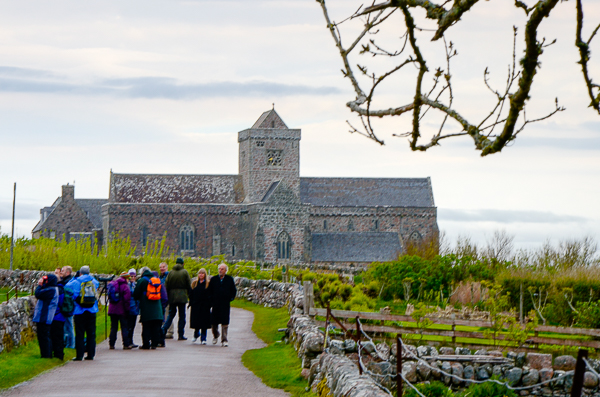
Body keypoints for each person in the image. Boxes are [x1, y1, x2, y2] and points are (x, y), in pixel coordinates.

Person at [66, 265, 99, 361]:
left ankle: (79, 355)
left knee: (80, 333)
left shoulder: (76, 281)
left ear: (80, 272)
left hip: (79, 310)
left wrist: (74, 277)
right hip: (92, 310)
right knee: (91, 333)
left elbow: (67, 286)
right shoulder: (93, 281)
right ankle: (91, 354)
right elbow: (96, 285)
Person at [133, 266, 164, 349]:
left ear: (142, 273)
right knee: (156, 327)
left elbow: (136, 294)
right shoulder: (157, 280)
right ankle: (154, 344)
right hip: (157, 308)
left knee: (146, 327)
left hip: (146, 308)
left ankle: (146, 344)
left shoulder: (142, 281)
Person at [161, 258, 191, 341]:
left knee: (170, 315)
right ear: (183, 264)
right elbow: (189, 285)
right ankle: (181, 334)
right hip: (182, 297)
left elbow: (166, 285)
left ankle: (163, 330)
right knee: (182, 316)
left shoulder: (171, 272)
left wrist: (168, 296)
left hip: (172, 297)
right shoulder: (185, 272)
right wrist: (189, 295)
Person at [208, 263, 237, 347]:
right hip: (215, 304)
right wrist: (211, 300)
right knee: (214, 322)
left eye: (222, 269)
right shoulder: (214, 279)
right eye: (219, 269)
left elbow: (233, 290)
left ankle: (224, 339)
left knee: (225, 322)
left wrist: (230, 298)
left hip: (225, 304)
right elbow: (209, 291)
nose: (220, 270)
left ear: (225, 270)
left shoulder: (229, 279)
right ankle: (216, 335)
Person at [33, 274, 61, 358]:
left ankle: (46, 354)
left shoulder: (51, 290)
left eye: (46, 280)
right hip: (44, 316)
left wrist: (39, 285)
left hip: (44, 316)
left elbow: (37, 294)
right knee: (44, 336)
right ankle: (46, 353)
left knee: (44, 336)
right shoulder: (52, 289)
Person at [108, 271, 132, 350]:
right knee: (124, 327)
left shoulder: (113, 284)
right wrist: (127, 310)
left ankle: (111, 344)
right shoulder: (125, 286)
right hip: (122, 310)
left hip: (112, 309)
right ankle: (125, 344)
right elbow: (127, 299)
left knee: (113, 327)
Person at [189, 268, 211, 344]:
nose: (201, 275)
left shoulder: (208, 284)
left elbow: (210, 295)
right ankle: (196, 334)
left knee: (204, 323)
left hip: (205, 306)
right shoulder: (195, 283)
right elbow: (191, 294)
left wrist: (209, 304)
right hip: (196, 305)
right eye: (199, 273)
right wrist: (191, 302)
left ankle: (203, 338)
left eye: (202, 273)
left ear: (205, 275)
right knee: (196, 322)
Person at [59, 266, 75, 349]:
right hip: (68, 307)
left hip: (67, 307)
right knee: (67, 327)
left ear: (68, 272)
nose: (61, 272)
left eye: (63, 270)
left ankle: (71, 344)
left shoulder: (68, 282)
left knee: (69, 327)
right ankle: (68, 343)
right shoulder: (67, 281)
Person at [158, 262, 174, 339]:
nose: (162, 268)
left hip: (167, 298)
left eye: (163, 267)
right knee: (163, 315)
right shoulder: (160, 277)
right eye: (161, 267)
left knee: (168, 315)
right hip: (161, 299)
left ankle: (170, 331)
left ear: (167, 268)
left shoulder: (168, 276)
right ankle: (164, 330)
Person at [125, 268, 139, 348]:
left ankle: (131, 341)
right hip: (130, 307)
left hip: (135, 308)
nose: (133, 278)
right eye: (131, 276)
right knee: (129, 326)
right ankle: (128, 341)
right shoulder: (128, 285)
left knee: (132, 326)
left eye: (134, 276)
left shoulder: (135, 284)